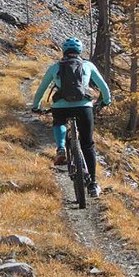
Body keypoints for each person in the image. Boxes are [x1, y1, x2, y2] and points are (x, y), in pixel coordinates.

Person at [31, 37, 112, 198]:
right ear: (80, 51)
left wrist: (36, 106)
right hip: (84, 107)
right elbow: (103, 87)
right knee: (87, 144)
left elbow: (41, 88)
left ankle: (61, 147)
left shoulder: (55, 67)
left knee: (59, 121)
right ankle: (93, 185)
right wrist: (106, 101)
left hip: (60, 106)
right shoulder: (88, 65)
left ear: (64, 51)